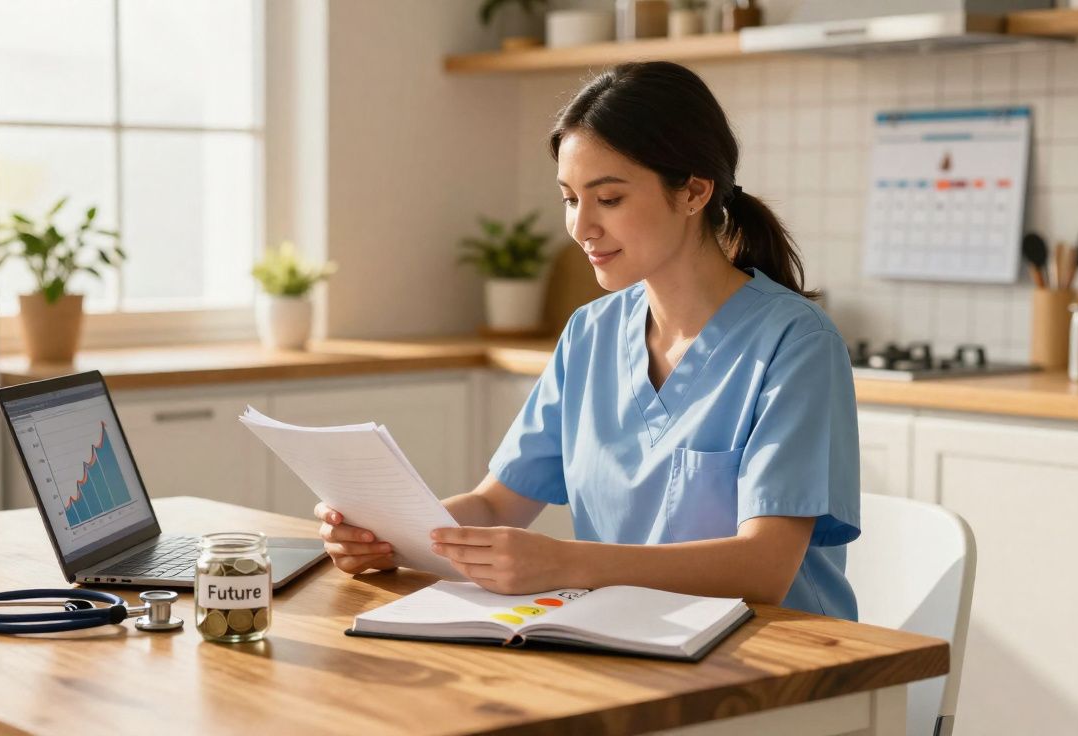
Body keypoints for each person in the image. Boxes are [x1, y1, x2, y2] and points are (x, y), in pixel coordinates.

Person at [314, 61, 861, 620]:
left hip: (784, 663)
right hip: (623, 642)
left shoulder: (795, 344)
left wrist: (566, 563)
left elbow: (763, 569)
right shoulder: (591, 333)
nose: (581, 227)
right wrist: (388, 538)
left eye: (610, 198)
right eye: (571, 199)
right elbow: (495, 504)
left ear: (695, 191)